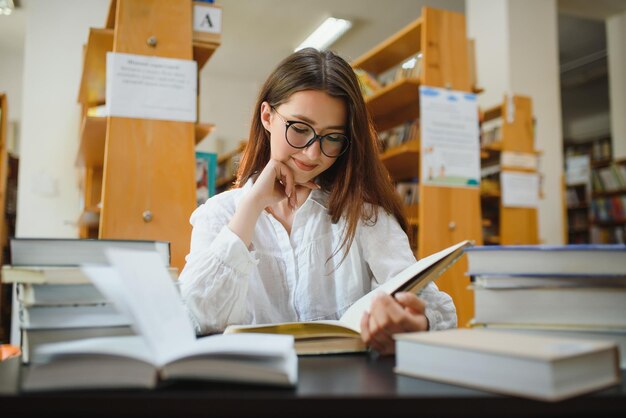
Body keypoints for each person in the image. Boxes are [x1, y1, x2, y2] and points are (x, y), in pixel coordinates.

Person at [178, 48, 456, 355]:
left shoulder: (365, 217)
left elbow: (436, 309)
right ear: (267, 116)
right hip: (251, 392)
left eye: (333, 137)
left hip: (346, 390)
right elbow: (198, 316)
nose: (313, 154)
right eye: (299, 129)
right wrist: (251, 205)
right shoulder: (219, 214)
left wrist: (413, 322)